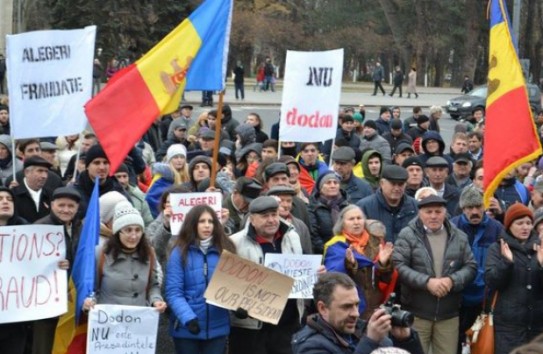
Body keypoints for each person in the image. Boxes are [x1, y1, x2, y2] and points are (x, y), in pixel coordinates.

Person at [393, 195, 476, 354]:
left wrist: (452, 280)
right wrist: (427, 282)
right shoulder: (407, 235)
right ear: (420, 213)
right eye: (428, 211)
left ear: (445, 213)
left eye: (438, 211)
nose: (433, 216)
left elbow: (471, 266)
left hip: (448, 315)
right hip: (416, 314)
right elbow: (399, 266)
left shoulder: (458, 236)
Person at [229, 196, 307, 354]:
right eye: (265, 216)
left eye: (274, 214)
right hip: (253, 326)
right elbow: (227, 284)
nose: (271, 220)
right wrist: (236, 306)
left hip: (287, 321)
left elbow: (300, 269)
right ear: (252, 219)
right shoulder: (235, 243)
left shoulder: (292, 236)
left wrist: (312, 273)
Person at [291, 272, 424, 354]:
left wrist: (405, 340)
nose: (355, 313)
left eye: (357, 305)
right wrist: (371, 341)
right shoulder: (310, 346)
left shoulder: (362, 329)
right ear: (323, 308)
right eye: (346, 307)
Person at [165, 205, 237, 354]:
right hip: (187, 330)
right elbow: (173, 293)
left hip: (217, 329)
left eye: (211, 221)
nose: (207, 225)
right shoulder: (179, 252)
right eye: (201, 221)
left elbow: (232, 287)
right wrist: (188, 318)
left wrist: (238, 306)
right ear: (192, 224)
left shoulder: (226, 250)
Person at [82, 201, 167, 311]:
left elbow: (153, 285)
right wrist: (89, 302)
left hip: (138, 320)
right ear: (118, 232)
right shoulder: (100, 253)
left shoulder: (149, 253)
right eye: (128, 230)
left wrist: (156, 300)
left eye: (138, 230)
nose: (134, 235)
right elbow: (90, 288)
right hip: (108, 321)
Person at [450, 186, 503, 352]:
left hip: (485, 297)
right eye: (469, 207)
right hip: (458, 296)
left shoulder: (496, 228)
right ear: (463, 208)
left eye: (478, 206)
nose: (474, 211)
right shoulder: (453, 226)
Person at [485, 203, 543, 354]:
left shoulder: (540, 248)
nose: (525, 227)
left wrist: (542, 265)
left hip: (537, 327)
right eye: (520, 223)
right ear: (509, 225)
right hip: (508, 328)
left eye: (529, 223)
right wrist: (507, 262)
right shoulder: (497, 248)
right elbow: (492, 281)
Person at [32, 187, 82, 354]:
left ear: (77, 208)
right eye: (61, 205)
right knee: (45, 345)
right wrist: (51, 266)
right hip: (46, 303)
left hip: (72, 300)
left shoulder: (80, 227)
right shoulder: (40, 228)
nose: (66, 210)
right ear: (52, 205)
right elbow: (28, 267)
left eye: (71, 206)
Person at [323, 205, 395, 319]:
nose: (356, 222)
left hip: (375, 307)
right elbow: (333, 278)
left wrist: (383, 264)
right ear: (342, 223)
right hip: (349, 308)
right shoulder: (335, 245)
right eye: (351, 219)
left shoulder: (375, 242)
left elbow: (386, 279)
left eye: (359, 218)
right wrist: (350, 264)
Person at [0, 187, 30, 354]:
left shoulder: (27, 232)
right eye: (1, 199)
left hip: (14, 319)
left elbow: (36, 269)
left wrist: (57, 264)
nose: (5, 202)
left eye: (9, 199)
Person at [357, 165, 418, 243]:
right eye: (393, 184)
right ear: (382, 183)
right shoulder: (364, 206)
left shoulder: (415, 206)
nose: (396, 188)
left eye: (400, 184)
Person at [309, 171, 350, 254]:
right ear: (320, 188)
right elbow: (314, 236)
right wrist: (329, 250)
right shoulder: (313, 208)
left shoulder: (348, 206)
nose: (333, 185)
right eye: (328, 183)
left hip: (348, 251)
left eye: (335, 182)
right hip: (324, 254)